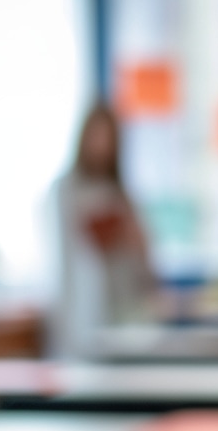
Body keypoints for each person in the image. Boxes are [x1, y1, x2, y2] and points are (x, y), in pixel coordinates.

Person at [49, 102, 157, 357]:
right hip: (80, 319)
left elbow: (145, 266)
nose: (102, 145)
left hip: (124, 319)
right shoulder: (65, 191)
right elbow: (64, 266)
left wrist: (135, 242)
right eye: (96, 135)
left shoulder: (123, 196)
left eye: (108, 137)